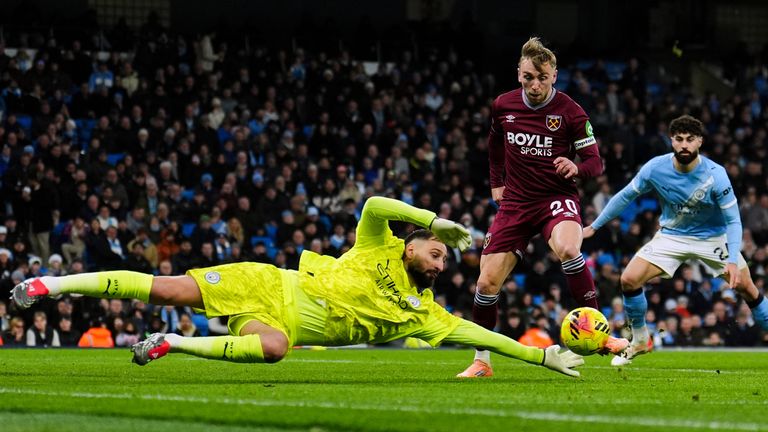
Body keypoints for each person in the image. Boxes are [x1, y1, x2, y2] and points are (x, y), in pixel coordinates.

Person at [12, 197, 584, 377]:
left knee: (275, 350)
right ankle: (50, 283)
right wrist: (434, 219)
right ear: (411, 243)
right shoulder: (376, 242)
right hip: (265, 281)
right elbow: (373, 204)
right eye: (434, 251)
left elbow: (479, 331)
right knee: (164, 288)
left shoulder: (421, 312)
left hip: (279, 322)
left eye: (442, 263)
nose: (438, 263)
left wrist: (542, 357)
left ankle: (171, 343)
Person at [459, 37, 628, 378]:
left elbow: (596, 161)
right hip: (516, 203)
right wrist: (496, 182)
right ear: (518, 74)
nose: (535, 85)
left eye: (542, 78)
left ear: (554, 76)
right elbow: (494, 146)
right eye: (527, 78)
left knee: (568, 247)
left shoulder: (571, 111)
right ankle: (482, 361)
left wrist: (577, 168)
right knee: (487, 283)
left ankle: (599, 335)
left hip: (555, 198)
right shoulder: (503, 106)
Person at [583, 115, 768, 365]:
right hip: (673, 235)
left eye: (690, 140)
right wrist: (594, 226)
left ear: (700, 142)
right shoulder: (655, 168)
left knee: (747, 288)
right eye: (679, 139)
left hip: (712, 237)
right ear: (671, 140)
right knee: (628, 279)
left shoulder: (717, 175)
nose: (684, 145)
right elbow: (625, 196)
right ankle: (639, 339)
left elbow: (733, 221)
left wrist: (733, 259)